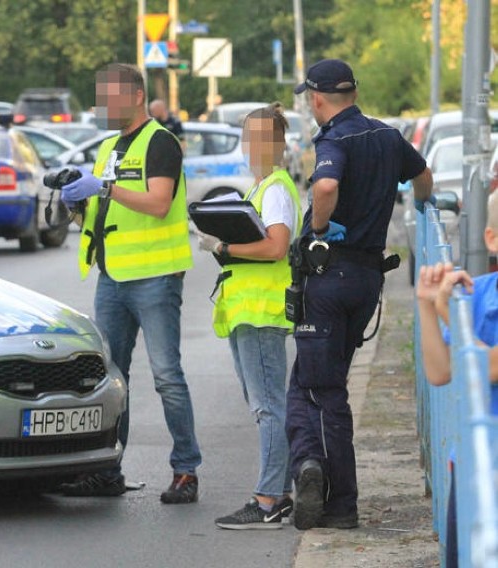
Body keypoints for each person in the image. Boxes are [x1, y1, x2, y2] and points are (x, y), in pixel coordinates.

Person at [286, 59, 433, 530]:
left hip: (329, 276)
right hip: (368, 278)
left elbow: (326, 184)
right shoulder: (388, 135)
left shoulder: (334, 138)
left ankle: (335, 498)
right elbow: (423, 176)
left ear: (317, 98)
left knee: (318, 388)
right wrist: (425, 206)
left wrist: (320, 230)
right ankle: (313, 468)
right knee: (316, 383)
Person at [57, 62, 201, 504]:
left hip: (155, 278)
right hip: (113, 276)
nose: (103, 104)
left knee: (167, 377)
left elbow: (158, 204)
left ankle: (185, 471)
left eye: (110, 96)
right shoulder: (107, 147)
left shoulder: (161, 142)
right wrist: (75, 204)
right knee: (112, 379)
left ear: (136, 96)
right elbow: (102, 210)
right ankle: (107, 469)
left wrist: (103, 187)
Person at [198, 103, 302, 529]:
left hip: (262, 314)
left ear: (278, 144)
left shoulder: (275, 188)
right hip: (248, 313)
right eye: (250, 138)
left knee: (267, 408)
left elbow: (276, 247)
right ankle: (275, 492)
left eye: (263, 138)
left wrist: (223, 248)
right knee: (263, 406)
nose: (254, 146)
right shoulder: (260, 189)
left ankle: (268, 501)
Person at [417, 192, 498, 568]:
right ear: (491, 238)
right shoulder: (478, 294)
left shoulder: (463, 305)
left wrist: (450, 315)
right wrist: (427, 304)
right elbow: (440, 372)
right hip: (470, 468)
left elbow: (489, 366)